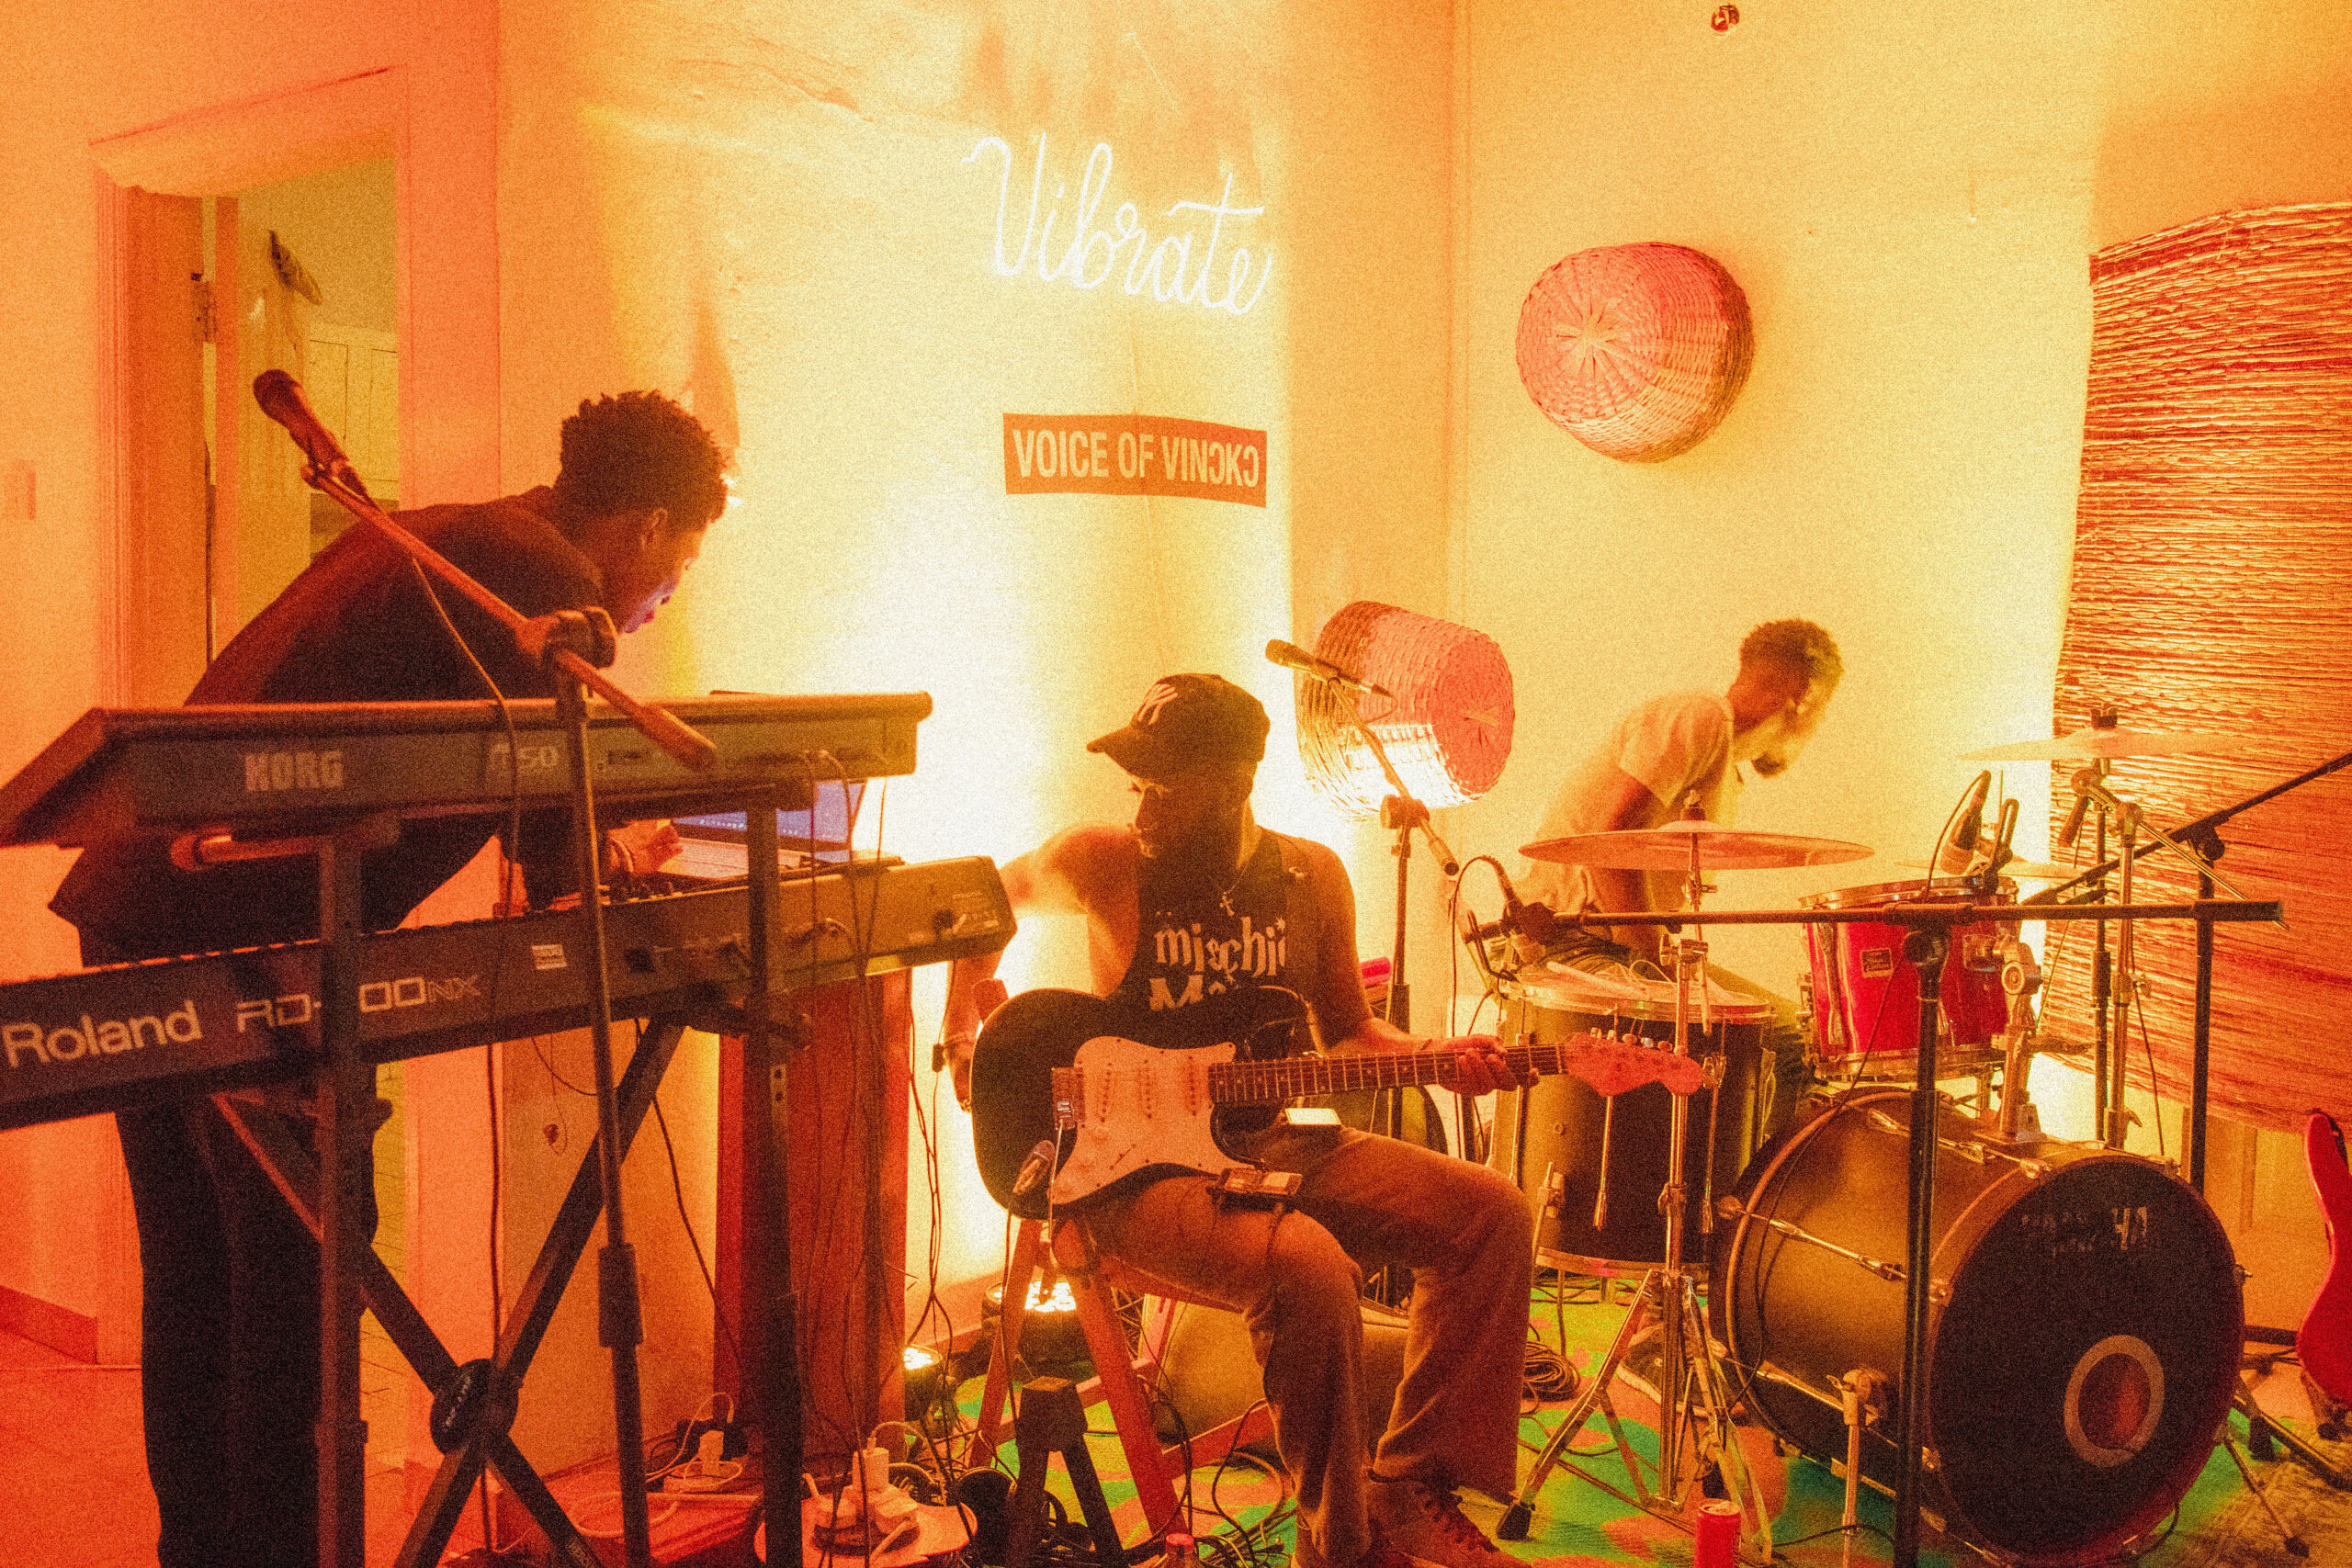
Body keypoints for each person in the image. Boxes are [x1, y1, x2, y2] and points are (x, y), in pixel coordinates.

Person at [51, 390, 730, 1568]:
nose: (658, 602)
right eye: (672, 575)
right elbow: (552, 851)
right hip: (253, 933)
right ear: (646, 524)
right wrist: (620, 852)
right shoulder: (541, 576)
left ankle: (206, 1552)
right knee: (295, 1282)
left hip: (138, 899)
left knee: (196, 1270)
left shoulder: (457, 535)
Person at [942, 674, 1536, 1568]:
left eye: (1165, 788)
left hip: (1266, 1138)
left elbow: (1349, 1032)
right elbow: (983, 896)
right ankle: (1339, 1550)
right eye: (1136, 784)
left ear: (1233, 785)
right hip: (1136, 1171)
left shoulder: (1309, 877)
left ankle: (1410, 1485)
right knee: (1310, 1267)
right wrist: (961, 1027)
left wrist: (1437, 1054)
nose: (1142, 809)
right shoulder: (1103, 859)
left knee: (1491, 1212)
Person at [1516, 618, 1841, 1133]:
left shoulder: (1720, 759)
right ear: (1805, 697)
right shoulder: (1703, 715)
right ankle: (1756, 1180)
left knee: (1775, 1033)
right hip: (1576, 946)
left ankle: (1729, 1171)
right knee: (1788, 1037)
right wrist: (1651, 955)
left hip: (1600, 943)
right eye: (1823, 711)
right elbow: (1612, 839)